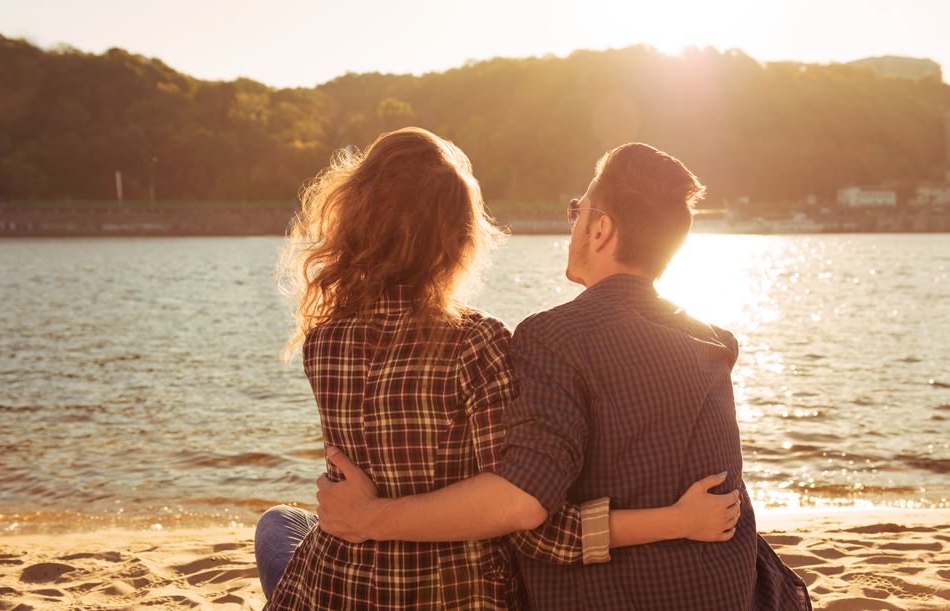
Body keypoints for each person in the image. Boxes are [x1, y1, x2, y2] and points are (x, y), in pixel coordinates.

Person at [258, 128, 743, 610]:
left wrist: (367, 518)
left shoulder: (322, 341)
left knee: (279, 524)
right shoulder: (479, 342)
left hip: (340, 585)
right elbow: (525, 515)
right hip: (463, 593)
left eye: (577, 211)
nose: (572, 223)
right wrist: (679, 520)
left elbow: (524, 509)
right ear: (459, 238)